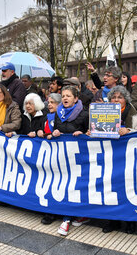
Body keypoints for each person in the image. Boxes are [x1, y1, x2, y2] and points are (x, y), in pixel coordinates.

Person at [99, 86, 137, 234]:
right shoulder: (102, 113)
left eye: (120, 97)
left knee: (129, 189)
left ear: (126, 99)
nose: (116, 100)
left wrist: (129, 131)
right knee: (110, 189)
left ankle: (130, 221)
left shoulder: (136, 115)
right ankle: (113, 220)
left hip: (129, 159)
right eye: (113, 97)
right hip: (110, 157)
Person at [49, 86, 89, 236]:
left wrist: (83, 134)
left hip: (80, 157)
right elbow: (57, 130)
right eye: (63, 96)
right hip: (64, 157)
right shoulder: (58, 113)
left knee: (77, 187)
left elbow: (91, 132)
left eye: (68, 96)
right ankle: (67, 217)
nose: (65, 98)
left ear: (76, 99)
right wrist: (55, 133)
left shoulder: (84, 114)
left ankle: (69, 218)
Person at [37, 92, 62, 225]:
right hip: (47, 154)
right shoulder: (45, 116)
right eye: (48, 102)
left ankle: (54, 211)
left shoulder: (62, 117)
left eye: (52, 102)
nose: (49, 104)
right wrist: (39, 132)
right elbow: (40, 130)